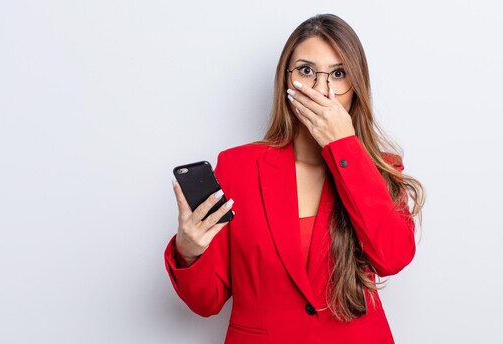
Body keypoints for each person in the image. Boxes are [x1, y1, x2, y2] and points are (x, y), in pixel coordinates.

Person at [164, 13, 425, 344]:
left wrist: (343, 146)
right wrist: (189, 252)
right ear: (286, 80)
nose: (321, 88)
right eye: (306, 70)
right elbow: (206, 302)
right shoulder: (237, 167)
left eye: (339, 73)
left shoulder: (379, 168)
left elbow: (392, 257)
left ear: (355, 87)